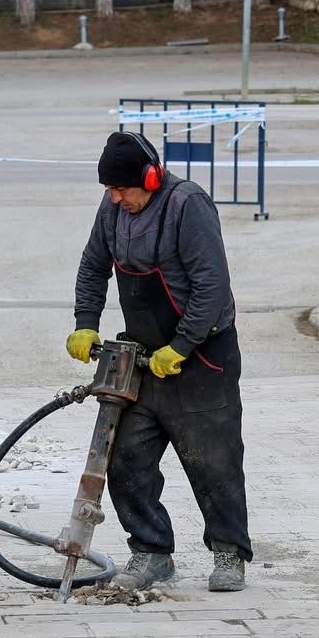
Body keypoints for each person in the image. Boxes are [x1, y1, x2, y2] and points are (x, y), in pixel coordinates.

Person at [69, 131, 250, 594]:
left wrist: (184, 345)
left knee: (214, 462)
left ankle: (229, 553)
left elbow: (211, 285)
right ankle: (151, 552)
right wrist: (86, 322)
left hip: (203, 357)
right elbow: (93, 266)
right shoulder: (113, 208)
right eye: (109, 189)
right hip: (144, 358)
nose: (115, 197)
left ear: (150, 177)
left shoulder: (187, 205)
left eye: (122, 188)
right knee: (126, 458)